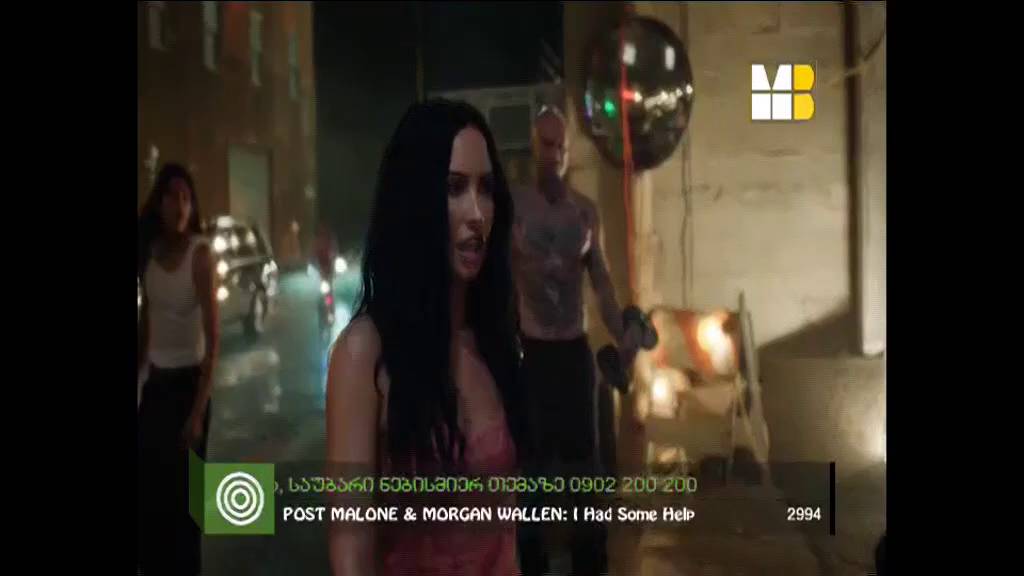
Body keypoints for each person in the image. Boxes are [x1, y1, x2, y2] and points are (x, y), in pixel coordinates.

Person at [325, 99, 526, 576]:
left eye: (486, 189)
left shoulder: (494, 343)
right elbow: (350, 555)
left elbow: (507, 538)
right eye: (455, 188)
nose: (477, 213)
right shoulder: (364, 354)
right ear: (415, 201)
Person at [512, 106, 640, 576]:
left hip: (573, 351)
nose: (555, 154)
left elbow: (601, 280)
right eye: (547, 145)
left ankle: (590, 565)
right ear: (534, 147)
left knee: (584, 473)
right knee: (533, 476)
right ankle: (534, 566)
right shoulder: (514, 209)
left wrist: (621, 329)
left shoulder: (584, 212)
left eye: (561, 147)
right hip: (533, 353)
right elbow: (495, 283)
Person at [137, 163, 219, 575]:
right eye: (172, 196)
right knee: (151, 498)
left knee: (187, 509)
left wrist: (198, 412)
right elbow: (146, 324)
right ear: (160, 202)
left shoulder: (199, 255)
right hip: (155, 387)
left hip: (189, 389)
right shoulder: (148, 254)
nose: (180, 205)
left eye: (187, 198)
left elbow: (213, 340)